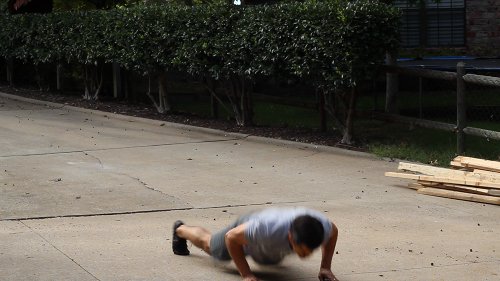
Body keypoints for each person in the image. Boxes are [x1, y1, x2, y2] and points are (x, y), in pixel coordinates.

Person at [172, 207, 339, 281]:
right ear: (290, 237)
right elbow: (231, 237)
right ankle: (180, 229)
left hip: (267, 241)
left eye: (310, 252)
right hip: (247, 230)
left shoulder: (323, 227)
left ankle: (262, 255)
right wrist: (247, 275)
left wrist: (325, 267)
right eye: (302, 251)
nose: (305, 256)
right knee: (211, 246)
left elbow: (333, 231)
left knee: (268, 260)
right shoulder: (266, 228)